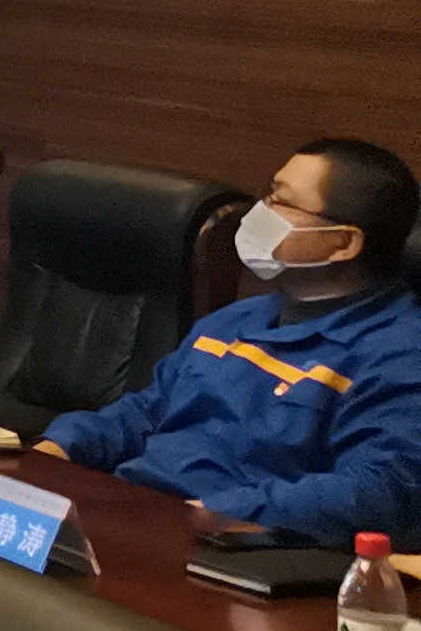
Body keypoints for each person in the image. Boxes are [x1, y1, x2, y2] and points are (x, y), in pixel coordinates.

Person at [39, 137, 421, 545]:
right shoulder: (239, 317)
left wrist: (219, 513)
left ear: (344, 242)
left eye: (280, 202)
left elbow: (376, 491)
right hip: (134, 512)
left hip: (229, 545)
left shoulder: (398, 353)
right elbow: (149, 411)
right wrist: (59, 448)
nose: (261, 212)